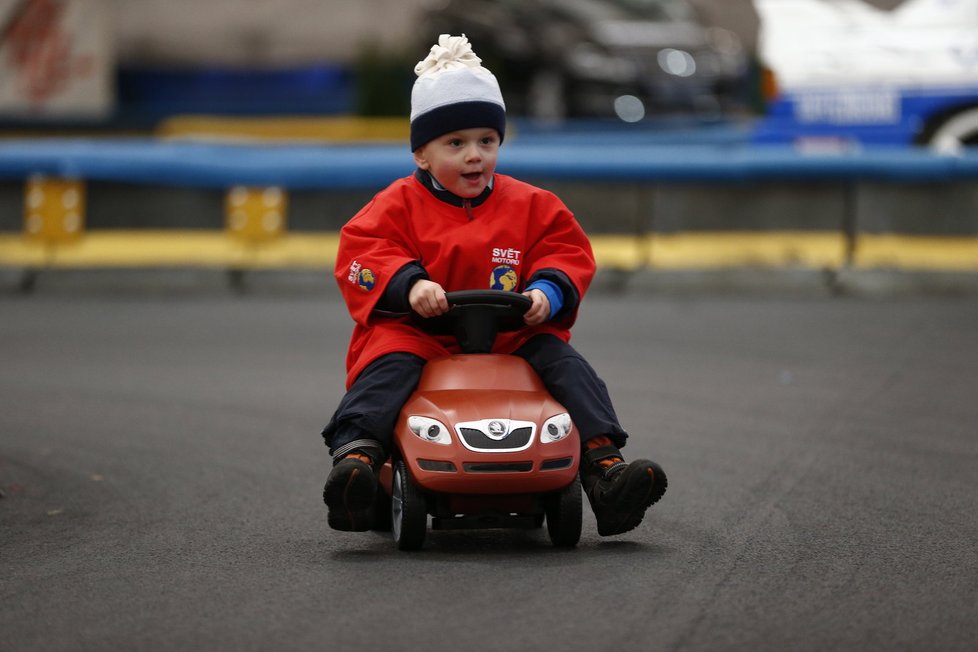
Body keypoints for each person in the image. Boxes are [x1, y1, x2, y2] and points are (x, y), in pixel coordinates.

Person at [322, 34, 667, 537]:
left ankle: (604, 469)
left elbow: (565, 252)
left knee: (567, 366)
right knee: (387, 367)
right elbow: (364, 252)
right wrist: (409, 284)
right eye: (455, 143)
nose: (474, 156)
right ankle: (357, 459)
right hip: (423, 333)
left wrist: (547, 292)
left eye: (487, 141)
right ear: (422, 154)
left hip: (511, 336)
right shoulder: (395, 205)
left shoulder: (533, 206)